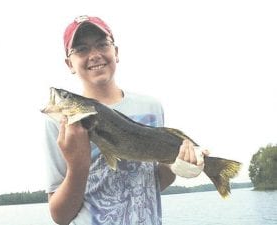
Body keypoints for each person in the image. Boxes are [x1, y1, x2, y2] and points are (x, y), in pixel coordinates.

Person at [44, 15, 207, 225]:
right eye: (81, 49)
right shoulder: (58, 124)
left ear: (116, 52)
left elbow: (154, 183)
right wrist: (78, 166)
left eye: (102, 44)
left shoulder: (151, 108)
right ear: (70, 63)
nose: (94, 55)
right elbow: (60, 216)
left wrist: (177, 167)